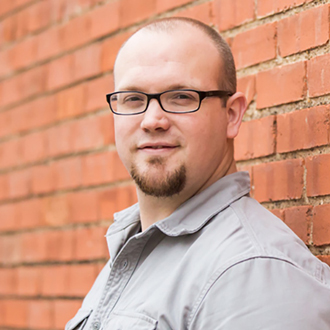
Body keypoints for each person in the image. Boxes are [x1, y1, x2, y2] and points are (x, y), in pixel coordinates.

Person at [65, 17, 330, 330]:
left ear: (231, 115)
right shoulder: (136, 252)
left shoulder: (251, 274)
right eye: (133, 99)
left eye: (181, 97)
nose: (152, 120)